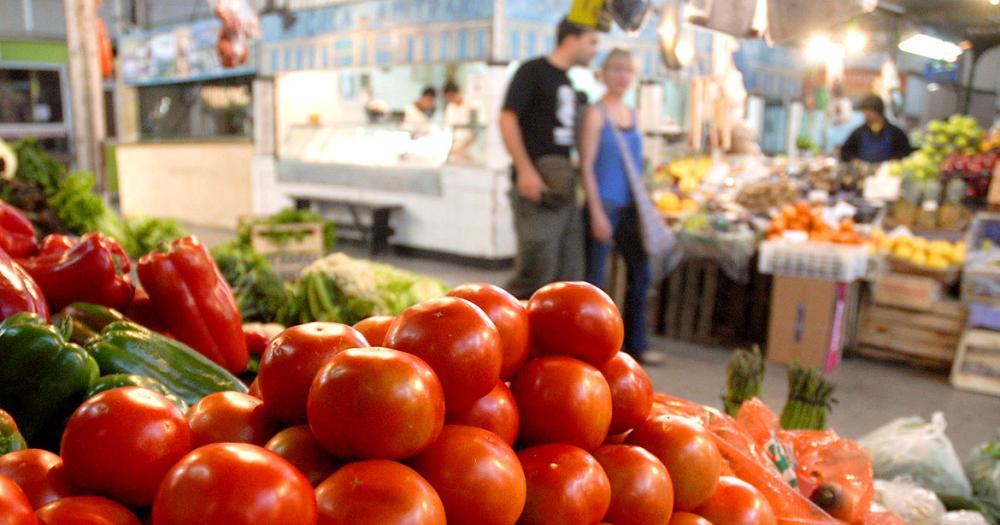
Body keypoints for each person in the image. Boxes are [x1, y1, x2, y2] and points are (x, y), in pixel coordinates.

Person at [499, 17, 600, 299]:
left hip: (564, 189)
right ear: (571, 39)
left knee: (568, 276)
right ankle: (497, 327)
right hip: (537, 188)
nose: (595, 50)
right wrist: (525, 171)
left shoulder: (567, 81)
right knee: (535, 272)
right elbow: (507, 119)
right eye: (592, 42)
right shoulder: (532, 71)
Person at [579, 48, 664, 366]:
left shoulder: (633, 113)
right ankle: (592, 349)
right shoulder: (595, 114)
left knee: (641, 272)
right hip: (604, 205)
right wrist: (596, 210)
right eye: (616, 70)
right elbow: (586, 166)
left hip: (630, 207)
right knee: (595, 283)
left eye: (628, 70)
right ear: (603, 73)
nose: (622, 76)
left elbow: (636, 165)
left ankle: (635, 345)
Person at [840, 94, 912, 163]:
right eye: (864, 111)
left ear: (878, 111)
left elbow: (905, 152)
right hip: (864, 172)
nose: (865, 114)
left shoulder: (895, 132)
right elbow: (845, 152)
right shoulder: (858, 133)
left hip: (887, 173)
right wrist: (855, 160)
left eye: (868, 111)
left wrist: (895, 160)